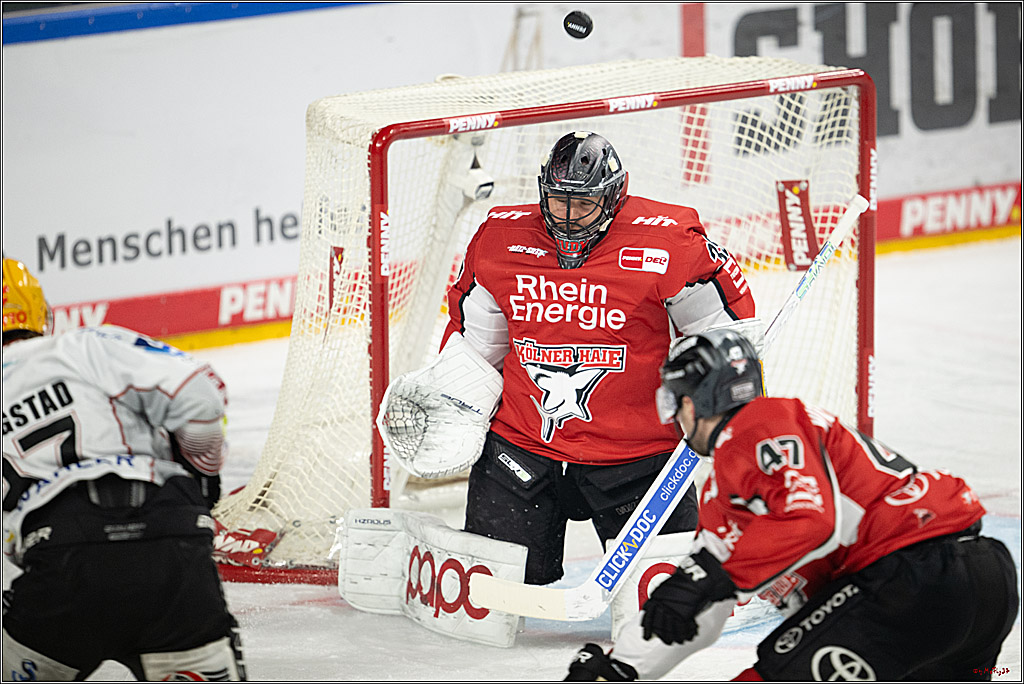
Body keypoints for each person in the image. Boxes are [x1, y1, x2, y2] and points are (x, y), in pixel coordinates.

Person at [564, 328, 1019, 681]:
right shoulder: (735, 480)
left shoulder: (757, 425)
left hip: (911, 581)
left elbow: (809, 519)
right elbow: (703, 606)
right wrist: (623, 665)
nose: (676, 418)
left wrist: (709, 578)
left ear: (701, 398)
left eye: (676, 402)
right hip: (983, 579)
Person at [441, 131, 763, 586]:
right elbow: (477, 346)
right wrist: (454, 401)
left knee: (665, 601)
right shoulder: (499, 239)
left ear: (612, 197)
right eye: (557, 202)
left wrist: (715, 401)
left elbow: (726, 332)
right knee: (494, 596)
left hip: (636, 456)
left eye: (583, 204)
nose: (568, 218)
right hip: (522, 448)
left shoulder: (670, 243)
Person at [2, 258, 247, 681]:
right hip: (168, 548)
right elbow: (200, 396)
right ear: (40, 311)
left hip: (57, 569)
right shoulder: (82, 346)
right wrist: (203, 482)